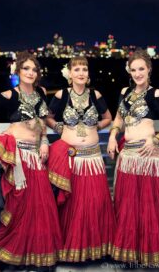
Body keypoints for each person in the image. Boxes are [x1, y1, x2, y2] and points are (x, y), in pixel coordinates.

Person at [0, 51, 62, 271]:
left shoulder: (41, 92)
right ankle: (10, 252)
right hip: (18, 158)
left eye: (34, 69)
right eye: (26, 69)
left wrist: (44, 142)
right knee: (17, 205)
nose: (31, 72)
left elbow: (42, 123)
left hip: (36, 156)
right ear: (18, 71)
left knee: (39, 208)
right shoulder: (9, 95)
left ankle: (34, 252)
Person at [107, 49, 159, 267]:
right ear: (129, 71)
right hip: (128, 154)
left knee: (150, 205)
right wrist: (112, 136)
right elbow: (119, 119)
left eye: (141, 69)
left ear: (149, 69)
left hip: (148, 154)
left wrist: (156, 140)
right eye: (134, 69)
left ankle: (153, 254)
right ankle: (131, 254)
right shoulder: (124, 92)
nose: (138, 73)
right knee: (129, 205)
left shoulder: (157, 94)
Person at [46, 56, 115, 263]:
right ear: (70, 74)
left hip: (93, 157)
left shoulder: (96, 94)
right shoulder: (61, 94)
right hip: (71, 157)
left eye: (84, 69)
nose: (81, 73)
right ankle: (70, 250)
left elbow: (108, 117)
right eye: (76, 69)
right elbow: (47, 117)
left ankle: (97, 250)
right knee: (73, 204)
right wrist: (60, 128)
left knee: (96, 202)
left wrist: (96, 128)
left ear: (88, 73)